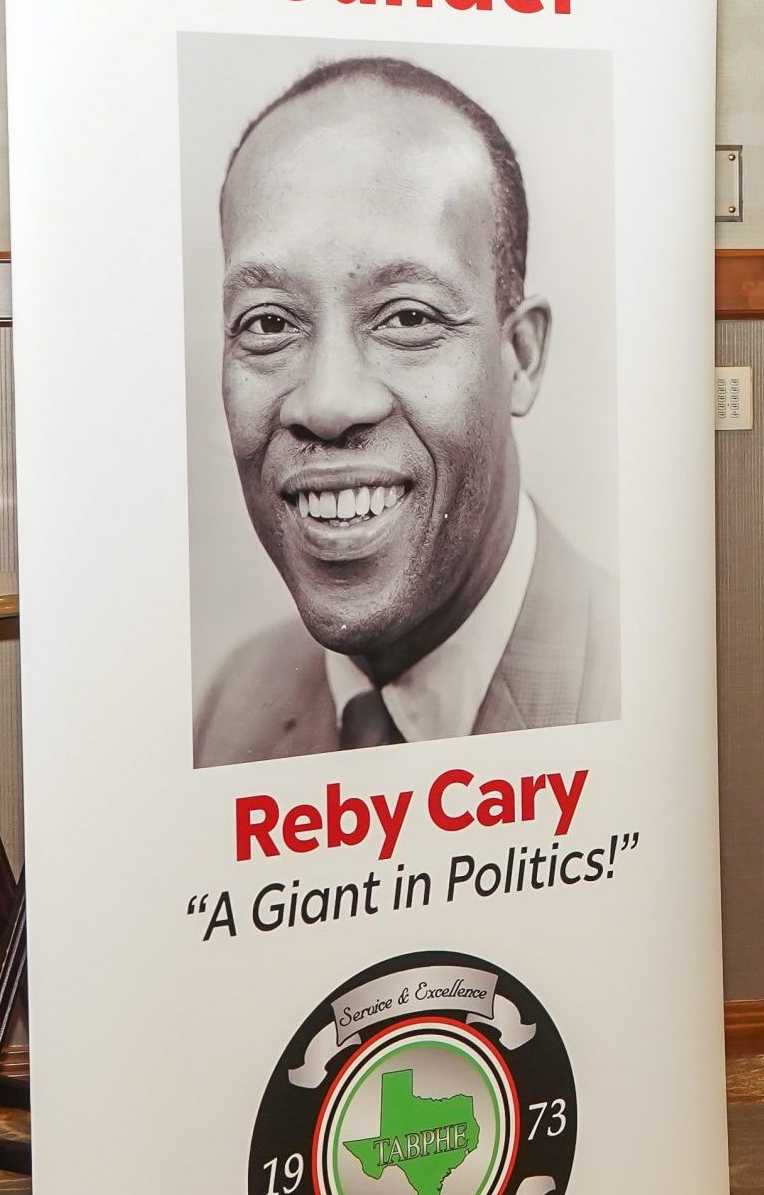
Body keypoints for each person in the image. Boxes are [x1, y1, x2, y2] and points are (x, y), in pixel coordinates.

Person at [194, 56, 617, 766]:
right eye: (268, 324)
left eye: (408, 317)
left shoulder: (641, 687)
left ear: (522, 357)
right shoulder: (232, 706)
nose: (327, 403)